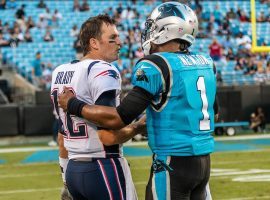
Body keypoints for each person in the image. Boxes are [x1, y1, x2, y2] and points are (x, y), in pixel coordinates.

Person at [59, 2, 219, 200]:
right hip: (203, 164)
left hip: (172, 163)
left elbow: (119, 118)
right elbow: (215, 113)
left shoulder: (157, 64)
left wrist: (73, 105)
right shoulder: (206, 63)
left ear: (165, 30)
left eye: (153, 27)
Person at [51, 14, 145, 200]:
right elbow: (108, 136)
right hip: (103, 167)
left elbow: (62, 137)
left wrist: (65, 179)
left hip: (73, 171)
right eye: (112, 38)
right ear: (94, 43)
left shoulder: (60, 72)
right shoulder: (102, 69)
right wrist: (139, 127)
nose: (120, 43)